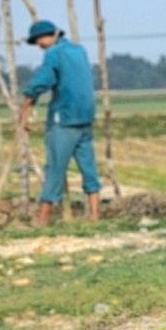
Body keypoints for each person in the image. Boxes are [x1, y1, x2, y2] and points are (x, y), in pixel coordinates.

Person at [19, 19, 100, 223]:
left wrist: (26, 105)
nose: (39, 45)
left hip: (64, 118)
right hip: (85, 116)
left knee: (55, 167)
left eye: (38, 41)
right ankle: (94, 214)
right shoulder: (79, 50)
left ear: (47, 36)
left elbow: (43, 80)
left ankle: (43, 217)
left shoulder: (53, 53)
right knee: (88, 166)